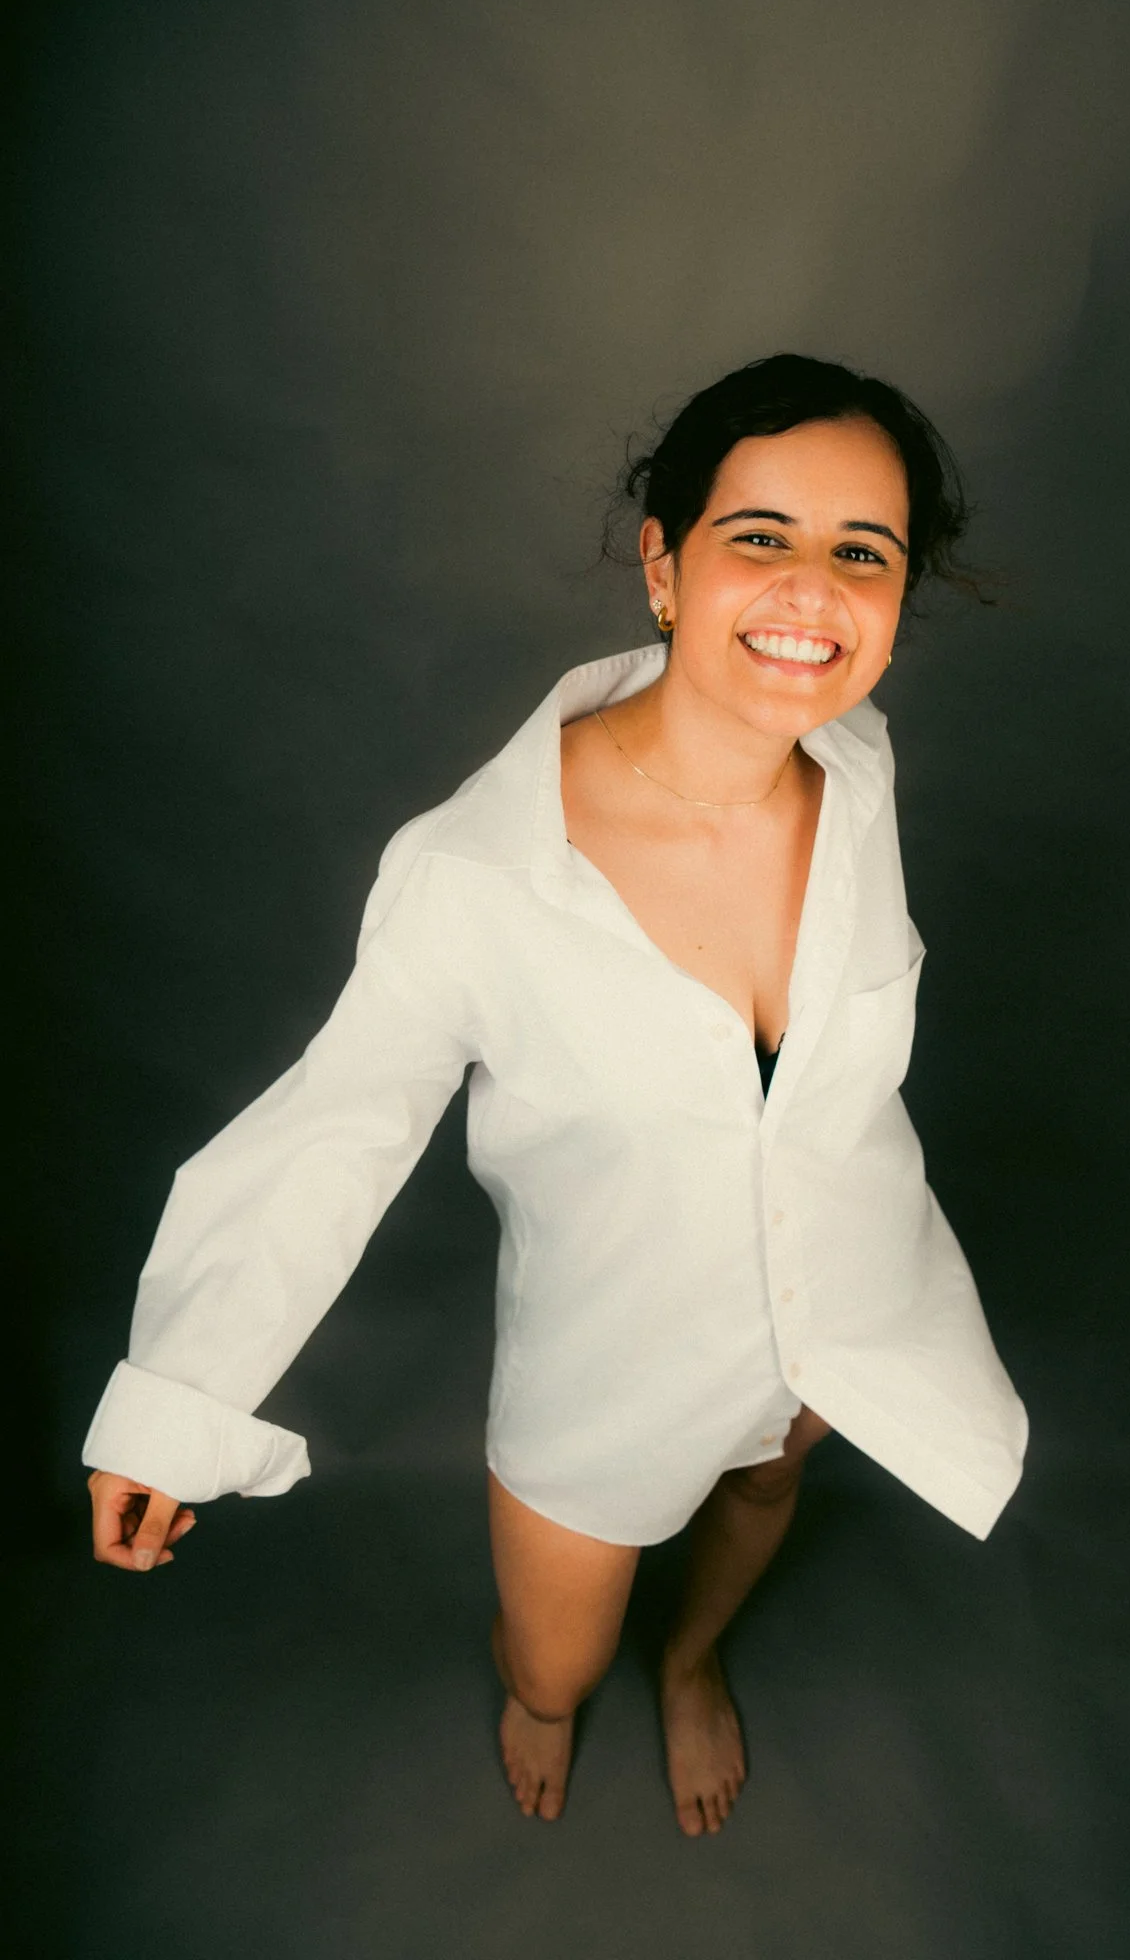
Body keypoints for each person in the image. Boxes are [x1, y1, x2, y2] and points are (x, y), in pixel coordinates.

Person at [83, 352, 1028, 1838]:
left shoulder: (858, 767)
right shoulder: (477, 872)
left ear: (901, 595)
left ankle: (694, 1658)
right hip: (612, 1367)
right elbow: (337, 1130)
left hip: (843, 1308)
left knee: (764, 1493)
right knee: (554, 1659)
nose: (812, 591)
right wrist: (174, 1405)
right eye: (759, 536)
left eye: (864, 553)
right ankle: (550, 1700)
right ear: (663, 564)